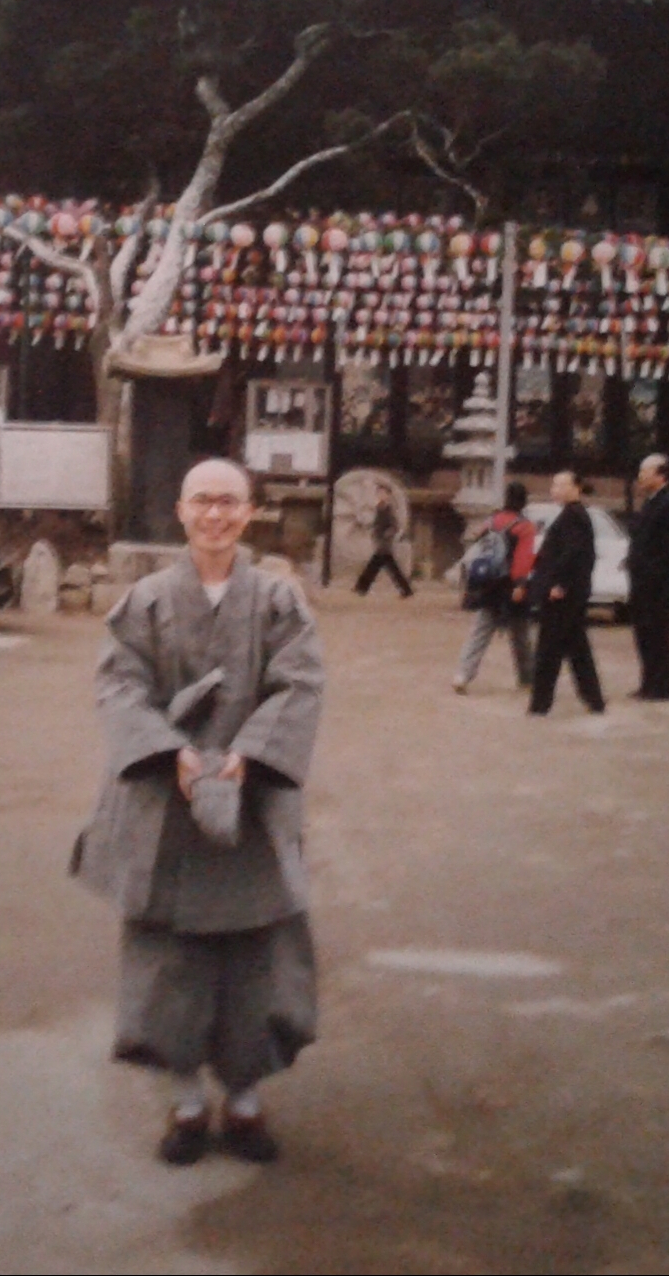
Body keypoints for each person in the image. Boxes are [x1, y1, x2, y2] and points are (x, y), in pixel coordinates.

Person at [71, 458, 324, 1167]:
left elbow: (300, 684)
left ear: (250, 513)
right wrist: (171, 751)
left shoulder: (279, 600)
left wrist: (247, 756)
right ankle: (185, 1105)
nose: (216, 514)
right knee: (167, 967)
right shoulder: (146, 600)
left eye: (229, 502)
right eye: (203, 501)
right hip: (166, 803)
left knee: (256, 963)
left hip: (253, 804)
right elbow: (119, 687)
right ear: (181, 510)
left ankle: (243, 1103)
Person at [527, 470, 606, 717]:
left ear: (575, 488)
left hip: (563, 593)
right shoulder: (570, 515)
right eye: (554, 485)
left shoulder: (575, 516)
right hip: (568, 592)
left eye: (560, 485)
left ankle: (540, 703)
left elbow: (573, 554)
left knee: (549, 650)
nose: (555, 490)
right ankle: (594, 699)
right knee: (577, 648)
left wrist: (560, 583)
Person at [453, 482, 537, 693]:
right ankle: (527, 678)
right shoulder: (525, 526)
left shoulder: (491, 521)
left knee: (480, 631)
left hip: (488, 584)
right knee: (520, 635)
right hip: (510, 585)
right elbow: (523, 559)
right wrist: (520, 584)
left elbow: (477, 545)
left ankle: (463, 674)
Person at [626, 453, 669, 701]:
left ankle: (660, 686)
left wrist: (651, 572)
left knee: (658, 633)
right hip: (641, 581)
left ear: (660, 475)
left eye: (645, 472)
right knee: (644, 633)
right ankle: (648, 682)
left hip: (657, 583)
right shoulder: (649, 502)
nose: (640, 477)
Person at [354, 486, 414, 597]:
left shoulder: (388, 509)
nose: (380, 495)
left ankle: (361, 587)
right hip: (380, 541)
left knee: (379, 566)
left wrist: (387, 534)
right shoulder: (379, 508)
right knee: (381, 566)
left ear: (388, 495)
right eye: (379, 493)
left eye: (382, 493)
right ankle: (362, 587)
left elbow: (394, 526)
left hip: (385, 543)